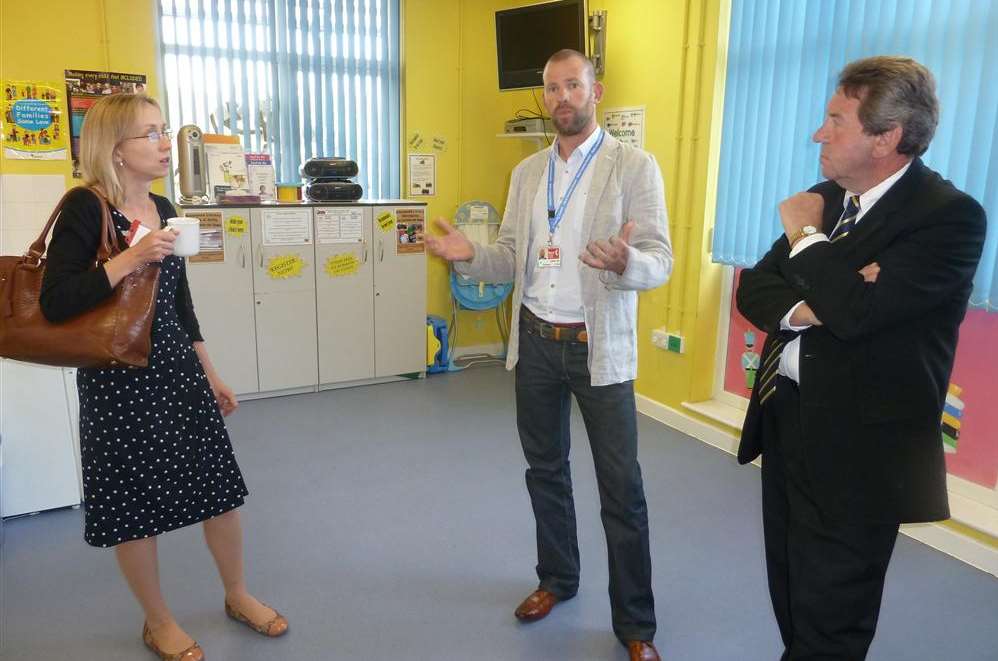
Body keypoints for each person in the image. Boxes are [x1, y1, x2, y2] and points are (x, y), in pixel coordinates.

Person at [735, 56, 986, 659]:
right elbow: (755, 289)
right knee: (792, 592)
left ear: (887, 138)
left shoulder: (948, 218)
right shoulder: (827, 198)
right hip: (790, 420)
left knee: (835, 618)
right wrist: (814, 303)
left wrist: (806, 241)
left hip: (861, 453)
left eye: (836, 120)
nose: (819, 133)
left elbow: (857, 315)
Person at [427, 49, 672, 661]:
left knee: (622, 489)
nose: (561, 97)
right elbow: (511, 255)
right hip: (535, 342)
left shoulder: (633, 166)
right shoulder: (528, 174)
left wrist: (626, 262)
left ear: (597, 91)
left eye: (572, 85)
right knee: (545, 472)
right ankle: (557, 580)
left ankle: (635, 626)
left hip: (599, 349)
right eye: (551, 89)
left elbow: (659, 260)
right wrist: (469, 256)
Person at [40, 94, 288, 661]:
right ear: (116, 149)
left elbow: (180, 302)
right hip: (116, 380)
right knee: (133, 509)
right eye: (148, 133)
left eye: (163, 130)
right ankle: (158, 623)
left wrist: (211, 371)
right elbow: (56, 302)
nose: (163, 143)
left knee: (219, 493)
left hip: (177, 372)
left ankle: (237, 594)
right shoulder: (86, 207)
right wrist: (132, 257)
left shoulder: (163, 203)